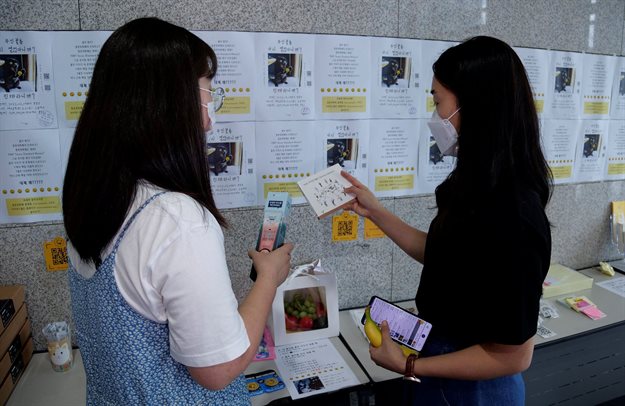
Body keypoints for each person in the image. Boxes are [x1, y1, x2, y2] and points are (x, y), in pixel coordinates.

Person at [63, 17, 293, 405]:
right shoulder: (177, 220)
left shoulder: (87, 195)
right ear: (169, 106)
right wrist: (268, 279)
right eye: (208, 97)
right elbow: (218, 370)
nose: (209, 120)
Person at [343, 36, 552, 405]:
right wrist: (374, 210)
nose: (435, 116)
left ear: (475, 106)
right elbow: (446, 255)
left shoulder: (514, 213)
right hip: (442, 367)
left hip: (473, 389)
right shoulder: (475, 188)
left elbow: (514, 355)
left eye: (438, 101)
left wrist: (408, 365)